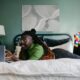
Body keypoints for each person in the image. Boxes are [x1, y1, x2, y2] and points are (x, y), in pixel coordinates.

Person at [5, 29, 80, 61]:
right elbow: (17, 55)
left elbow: (30, 62)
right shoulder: (25, 49)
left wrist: (17, 60)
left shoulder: (38, 48)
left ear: (32, 40)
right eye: (21, 39)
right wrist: (11, 54)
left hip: (58, 54)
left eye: (24, 39)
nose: (21, 41)